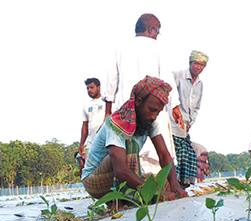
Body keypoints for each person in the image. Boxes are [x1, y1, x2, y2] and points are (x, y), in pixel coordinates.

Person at [81, 76, 188, 207]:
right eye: (152, 110)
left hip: (117, 175)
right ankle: (124, 202)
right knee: (130, 145)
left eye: (158, 112)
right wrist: (153, 192)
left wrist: (175, 184)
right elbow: (120, 170)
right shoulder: (116, 123)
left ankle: (129, 197)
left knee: (164, 186)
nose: (154, 116)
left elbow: (164, 155)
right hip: (94, 180)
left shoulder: (150, 121)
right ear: (138, 101)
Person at [103, 13, 183, 172]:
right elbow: (167, 80)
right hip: (154, 109)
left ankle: (134, 186)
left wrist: (108, 111)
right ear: (151, 29)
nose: (157, 37)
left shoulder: (120, 47)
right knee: (157, 150)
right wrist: (175, 107)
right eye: (157, 32)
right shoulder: (157, 48)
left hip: (128, 109)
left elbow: (111, 81)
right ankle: (158, 188)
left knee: (131, 151)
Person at [171, 50, 209, 188]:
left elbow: (196, 107)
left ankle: (182, 186)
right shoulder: (177, 76)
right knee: (177, 156)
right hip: (172, 123)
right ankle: (173, 185)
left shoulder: (200, 84)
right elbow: (169, 99)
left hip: (185, 126)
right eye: (197, 64)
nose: (199, 67)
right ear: (190, 62)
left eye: (202, 65)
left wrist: (190, 122)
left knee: (189, 158)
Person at [79, 78, 106, 175]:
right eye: (87, 88)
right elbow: (85, 126)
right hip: (91, 143)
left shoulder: (108, 102)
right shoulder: (86, 106)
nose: (89, 90)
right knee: (91, 170)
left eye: (92, 87)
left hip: (106, 142)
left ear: (99, 88)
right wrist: (81, 144)